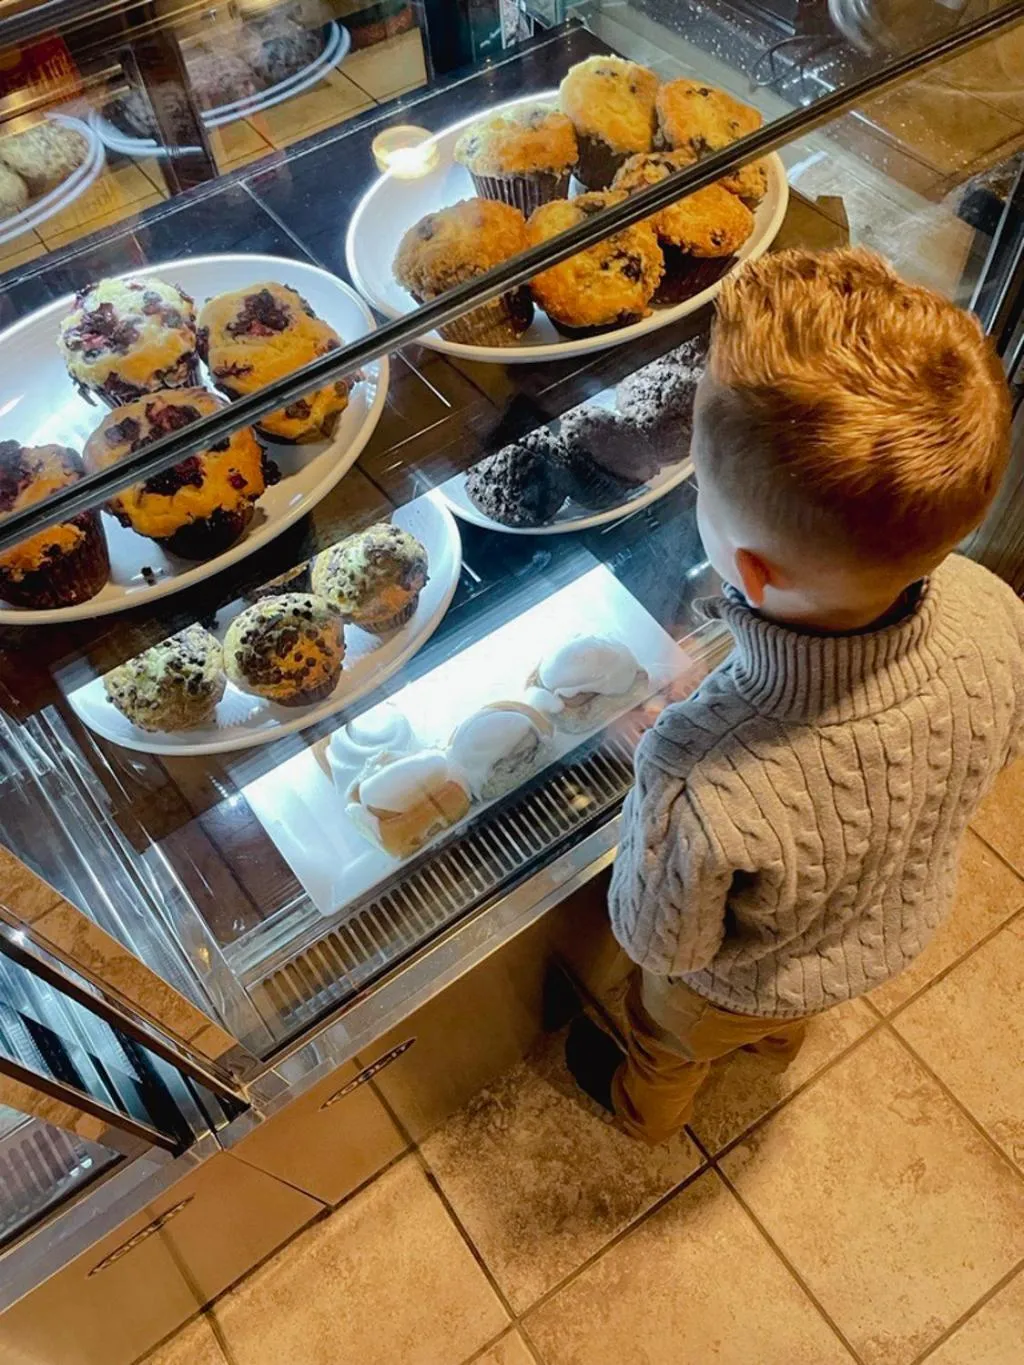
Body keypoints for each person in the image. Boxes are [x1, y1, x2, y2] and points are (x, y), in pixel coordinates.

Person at [565, 246, 1024, 1144]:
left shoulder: (698, 766)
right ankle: (774, 1046)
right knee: (783, 1008)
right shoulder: (991, 605)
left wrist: (655, 785)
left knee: (670, 1039)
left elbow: (662, 943)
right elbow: (993, 749)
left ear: (746, 569)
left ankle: (644, 1111)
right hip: (879, 936)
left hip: (725, 990)